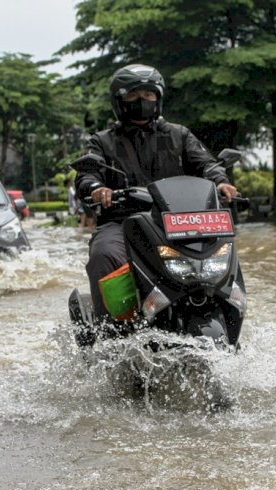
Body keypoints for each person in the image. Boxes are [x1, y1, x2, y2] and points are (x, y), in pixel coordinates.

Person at [76, 64, 237, 319]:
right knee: (103, 255)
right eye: (133, 95)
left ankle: (228, 309)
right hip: (121, 221)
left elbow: (206, 163)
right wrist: (97, 188)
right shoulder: (102, 141)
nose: (142, 101)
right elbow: (87, 174)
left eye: (148, 95)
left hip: (178, 221)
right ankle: (108, 331)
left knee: (221, 250)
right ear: (119, 101)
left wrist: (220, 182)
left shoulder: (179, 135)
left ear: (158, 98)